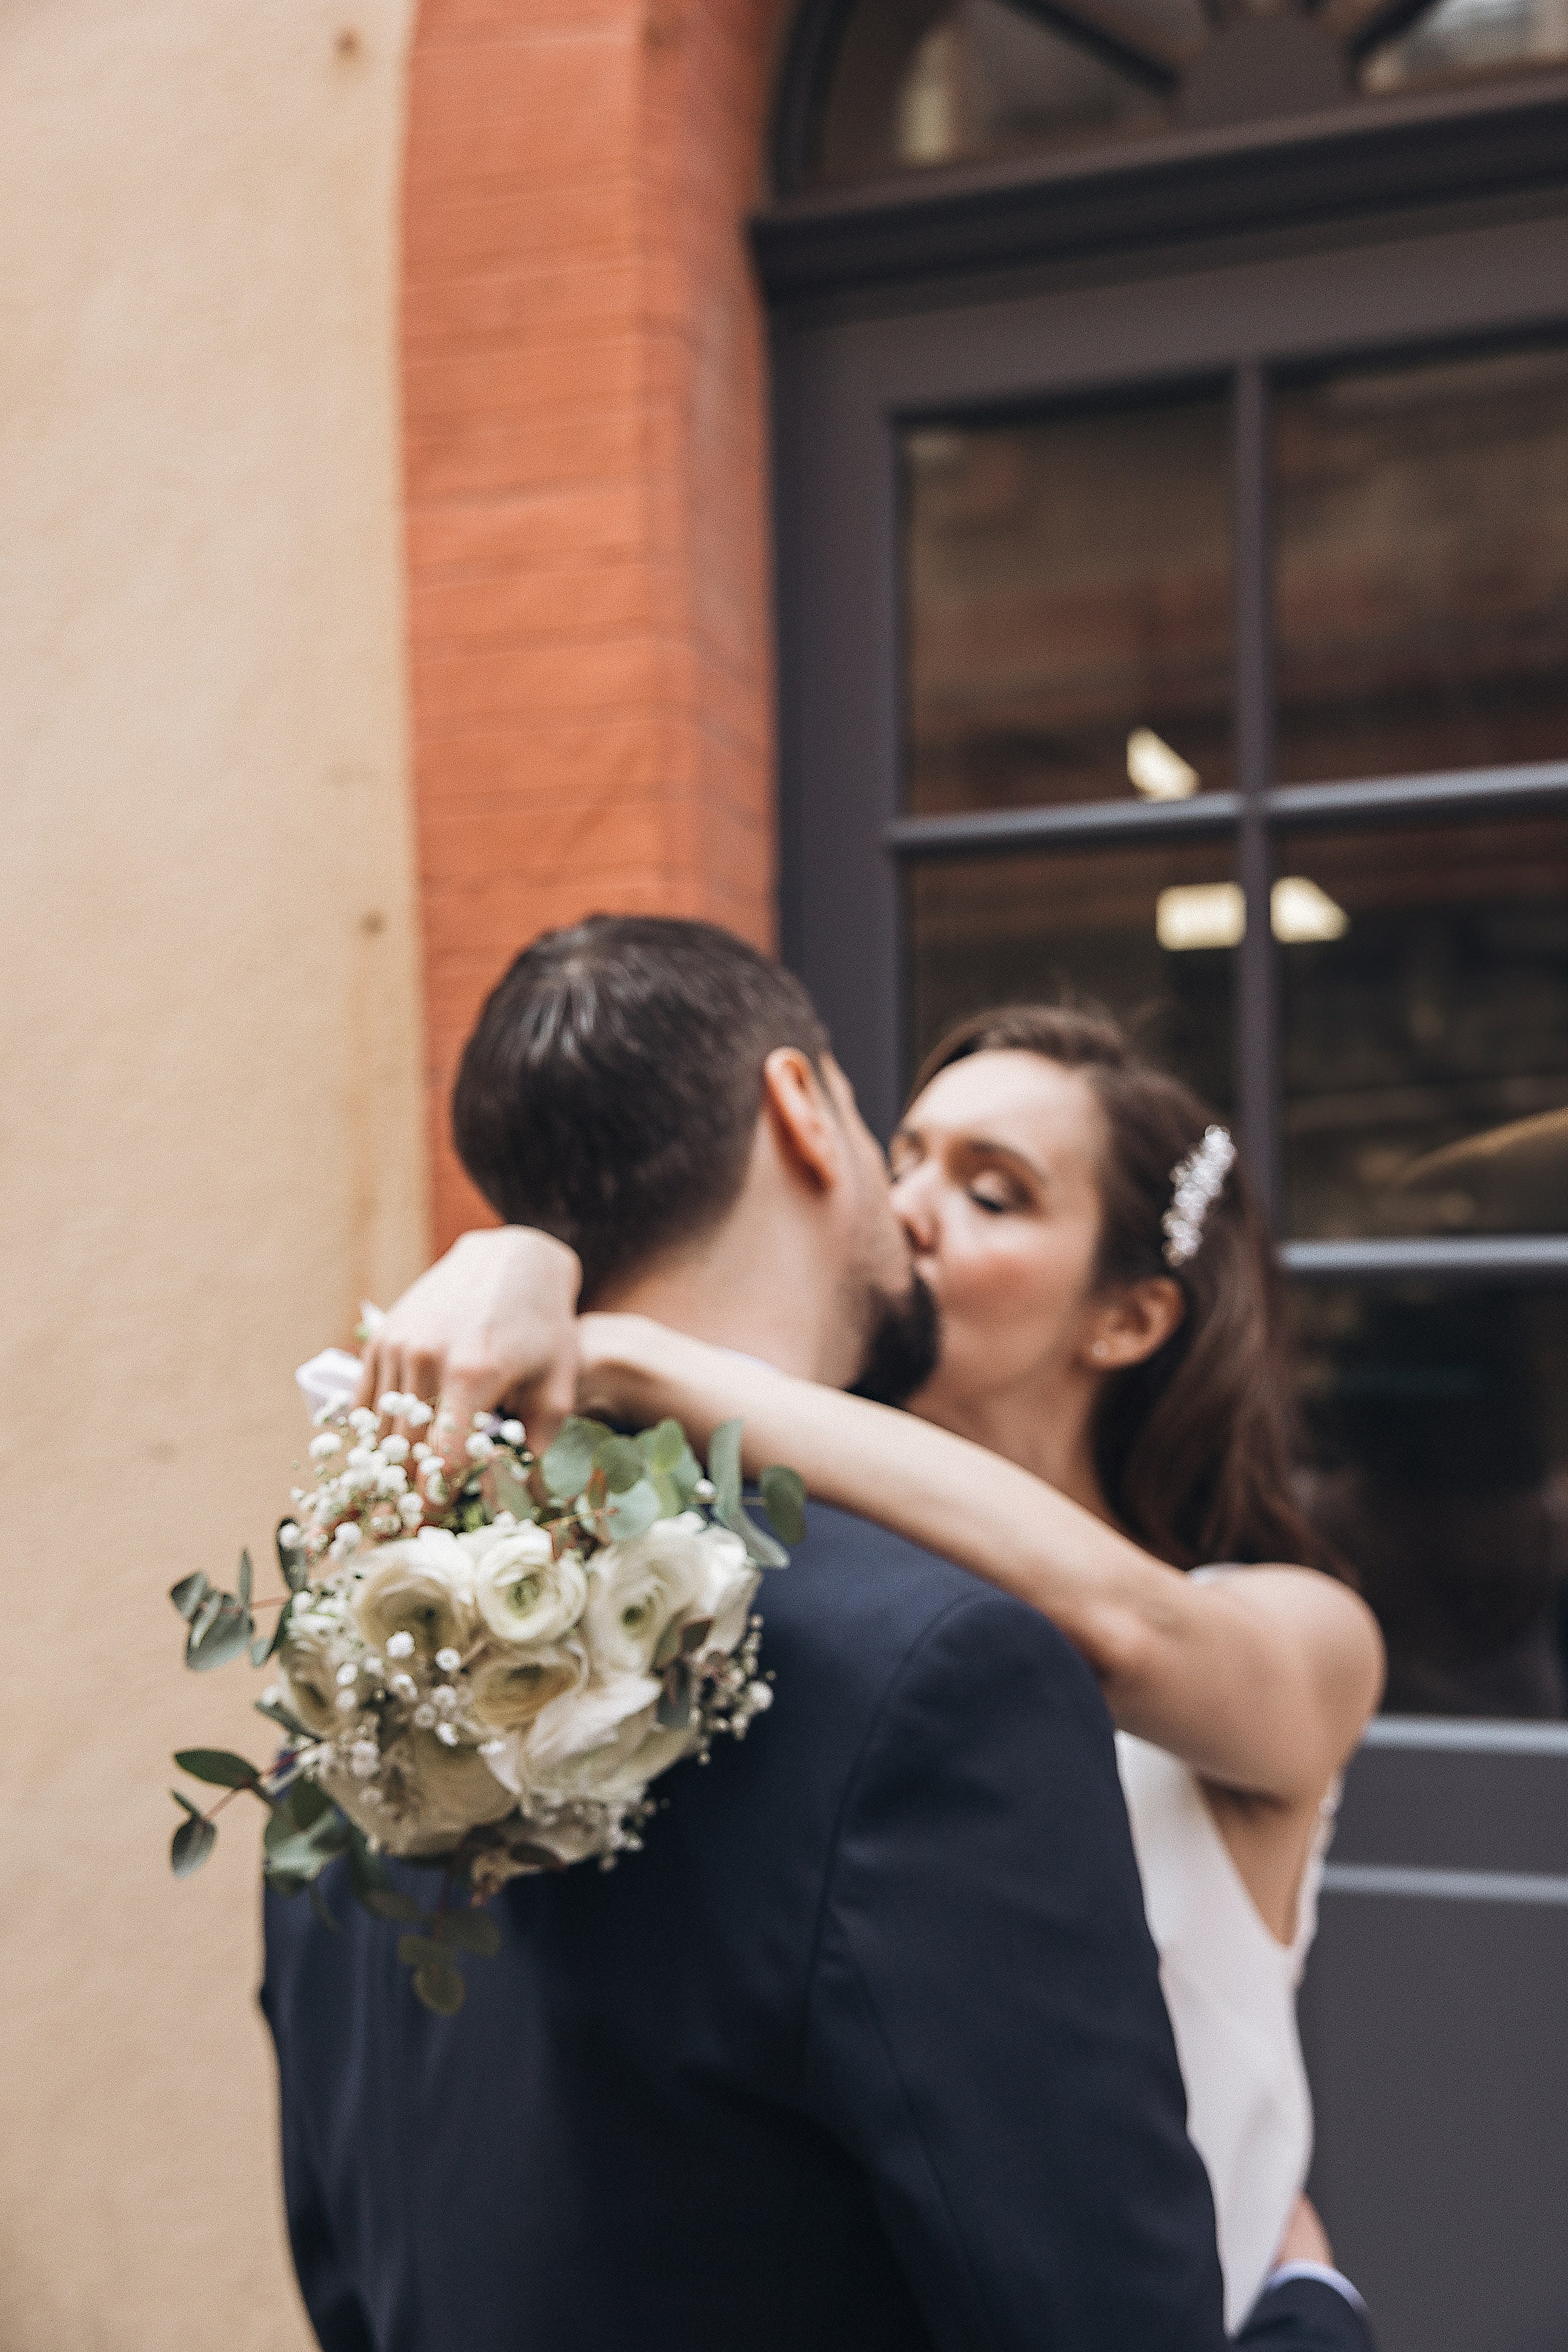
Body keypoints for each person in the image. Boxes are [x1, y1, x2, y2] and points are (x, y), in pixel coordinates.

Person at [266, 913, 1377, 2351]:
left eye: (992, 1193)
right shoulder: (567, 1616)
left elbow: (1120, 1631)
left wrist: (619, 1339)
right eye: (900, 1153)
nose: (911, 1209)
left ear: (1127, 1316)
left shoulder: (1260, 1633)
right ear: (807, 1121)